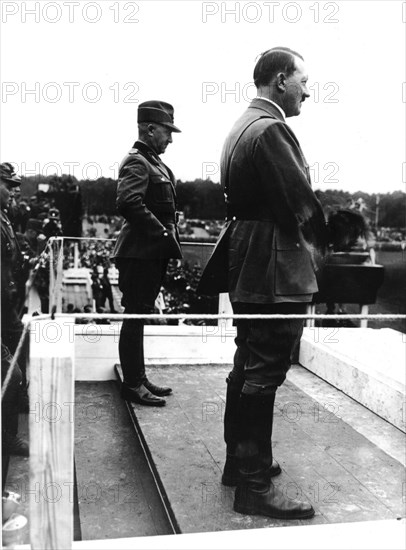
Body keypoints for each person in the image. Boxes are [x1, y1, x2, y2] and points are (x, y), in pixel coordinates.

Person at [198, 48, 328, 519]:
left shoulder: (241, 126)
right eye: (302, 81)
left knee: (248, 362)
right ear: (279, 81)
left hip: (249, 263)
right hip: (275, 268)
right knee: (265, 370)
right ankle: (252, 485)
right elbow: (301, 206)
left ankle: (242, 462)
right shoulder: (273, 129)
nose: (307, 92)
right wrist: (324, 260)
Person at [113, 100, 182, 406]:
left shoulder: (152, 161)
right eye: (167, 131)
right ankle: (132, 383)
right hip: (140, 253)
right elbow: (128, 201)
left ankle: (138, 378)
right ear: (150, 129)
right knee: (135, 315)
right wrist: (162, 234)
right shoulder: (138, 161)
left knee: (140, 315)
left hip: (149, 254)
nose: (170, 138)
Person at [1, 163, 29, 458]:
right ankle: (6, 437)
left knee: (19, 350)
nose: (15, 191)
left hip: (6, 303)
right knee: (10, 373)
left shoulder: (4, 217)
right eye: (9, 185)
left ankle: (18, 400)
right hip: (1, 305)